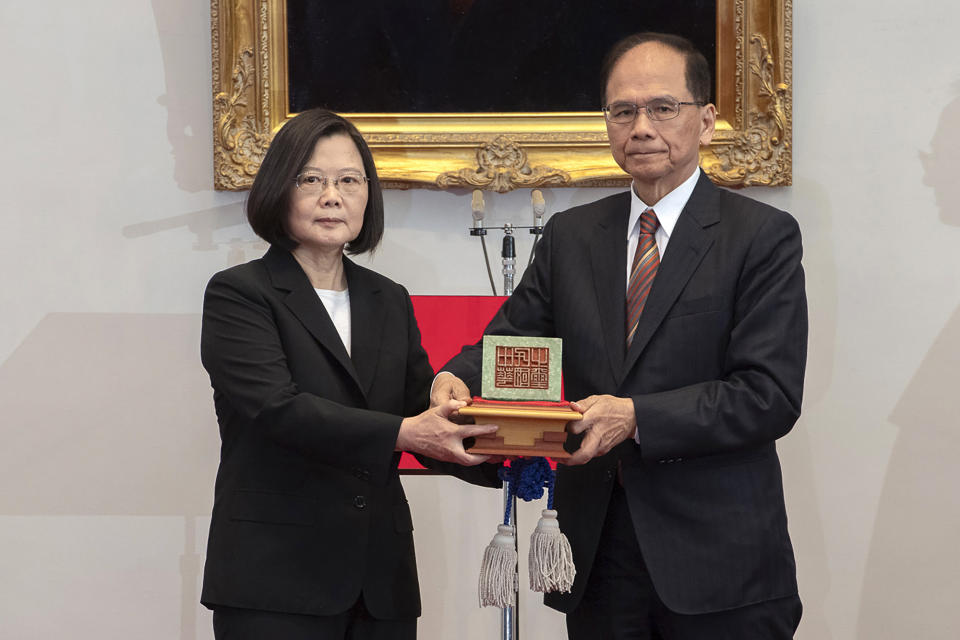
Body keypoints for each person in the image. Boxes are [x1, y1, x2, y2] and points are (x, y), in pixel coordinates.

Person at [434, 32, 807, 639]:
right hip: (598, 555)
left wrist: (635, 416)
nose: (641, 127)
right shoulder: (570, 237)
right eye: (623, 111)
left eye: (663, 107)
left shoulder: (761, 237)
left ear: (707, 121)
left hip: (721, 565)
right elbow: (509, 346)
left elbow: (767, 395)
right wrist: (455, 375)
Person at [199, 108, 499, 639]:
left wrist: (509, 454)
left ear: (367, 196)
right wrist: (405, 432)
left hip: (379, 581)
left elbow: (423, 416)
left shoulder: (389, 299)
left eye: (349, 180)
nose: (331, 196)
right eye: (310, 179)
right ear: (278, 190)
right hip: (275, 578)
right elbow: (277, 410)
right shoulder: (240, 293)